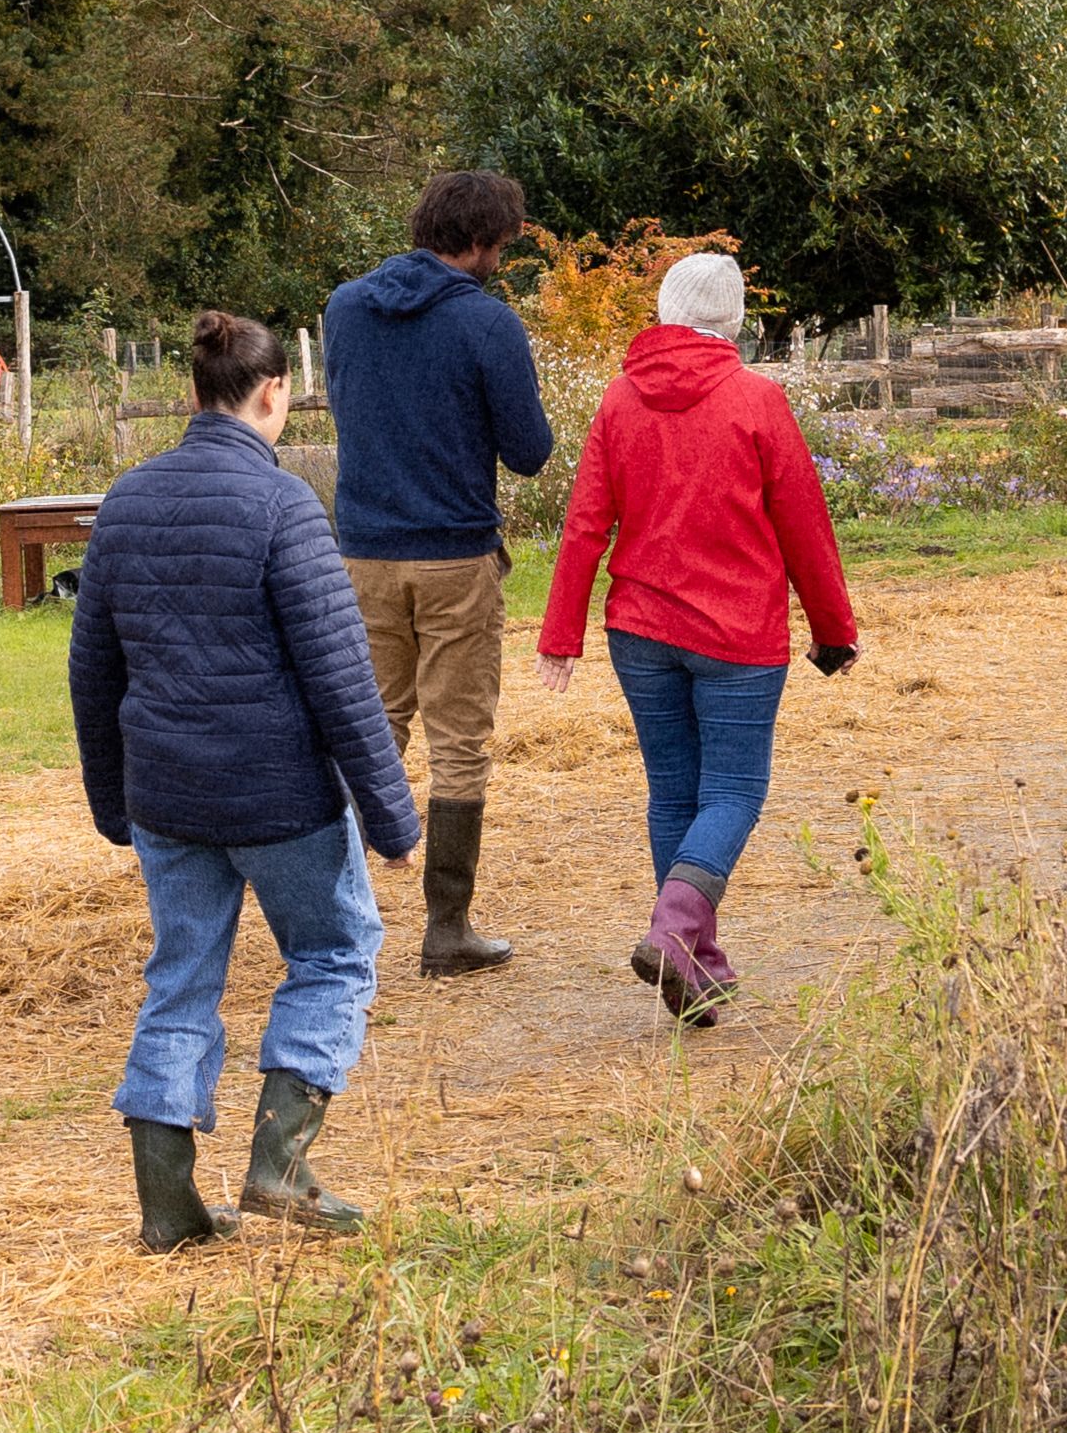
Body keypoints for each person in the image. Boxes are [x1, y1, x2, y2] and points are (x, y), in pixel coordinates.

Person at [70, 312, 419, 1254]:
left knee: (181, 975)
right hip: (278, 794)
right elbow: (341, 674)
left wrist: (113, 798)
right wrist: (392, 814)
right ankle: (281, 1165)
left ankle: (167, 1202)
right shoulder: (284, 505)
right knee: (337, 951)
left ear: (193, 393)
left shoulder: (127, 499)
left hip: (168, 794)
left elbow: (93, 668)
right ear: (276, 395)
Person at [533, 253, 857, 1025]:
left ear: (666, 309)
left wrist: (561, 633)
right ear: (732, 321)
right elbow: (805, 525)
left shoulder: (619, 399)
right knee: (735, 791)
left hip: (639, 632)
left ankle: (693, 963)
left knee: (673, 793)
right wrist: (833, 629)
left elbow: (585, 523)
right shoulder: (758, 399)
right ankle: (676, 930)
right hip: (735, 632)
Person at [322, 170, 556, 980]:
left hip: (360, 551)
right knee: (459, 743)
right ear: (485, 240)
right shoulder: (488, 324)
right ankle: (446, 928)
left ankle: (339, 924)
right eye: (502, 247)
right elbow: (529, 452)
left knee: (371, 731)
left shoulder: (346, 307)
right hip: (454, 552)